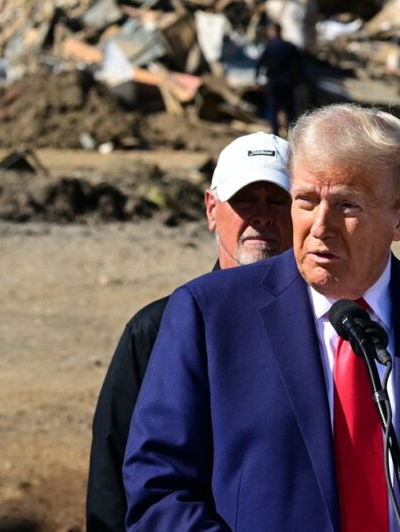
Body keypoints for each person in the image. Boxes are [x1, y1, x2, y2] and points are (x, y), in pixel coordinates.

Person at [123, 104, 400, 530]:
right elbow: (159, 490)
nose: (320, 226)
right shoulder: (210, 316)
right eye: (305, 200)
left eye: (348, 205)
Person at [85, 132, 293, 531]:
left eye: (278, 199)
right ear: (211, 209)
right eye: (245, 198)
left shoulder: (331, 327)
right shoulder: (157, 330)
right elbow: (114, 479)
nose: (262, 215)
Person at [255, 22, 301, 135]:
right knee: (290, 110)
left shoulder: (269, 47)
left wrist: (257, 80)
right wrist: (298, 79)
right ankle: (291, 135)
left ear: (272, 31)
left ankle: (275, 134)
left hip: (273, 82)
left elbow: (260, 64)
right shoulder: (290, 46)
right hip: (287, 82)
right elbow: (299, 65)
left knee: (273, 109)